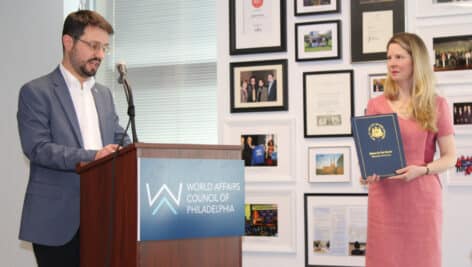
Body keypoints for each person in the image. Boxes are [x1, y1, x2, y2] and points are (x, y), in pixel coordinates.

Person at [16, 10, 130, 267]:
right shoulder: (36, 92)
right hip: (56, 222)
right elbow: (38, 148)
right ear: (68, 42)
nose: (100, 55)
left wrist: (137, 149)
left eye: (104, 48)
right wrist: (94, 156)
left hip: (104, 218)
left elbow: (117, 136)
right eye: (93, 45)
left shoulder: (104, 95)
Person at [362, 32, 456, 267]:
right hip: (385, 200)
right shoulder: (376, 105)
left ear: (416, 61)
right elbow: (370, 155)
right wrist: (367, 174)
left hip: (422, 199)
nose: (392, 63)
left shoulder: (437, 104)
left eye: (399, 57)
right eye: (389, 57)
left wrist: (422, 170)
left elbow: (450, 157)